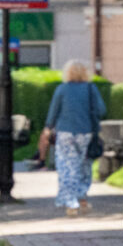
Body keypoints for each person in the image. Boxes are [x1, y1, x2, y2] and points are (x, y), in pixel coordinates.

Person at [41, 61, 105, 216]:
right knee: (84, 166)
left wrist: (48, 127)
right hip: (86, 132)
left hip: (65, 133)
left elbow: (53, 111)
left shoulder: (62, 89)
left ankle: (71, 202)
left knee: (67, 167)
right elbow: (102, 110)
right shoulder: (91, 89)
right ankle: (82, 198)